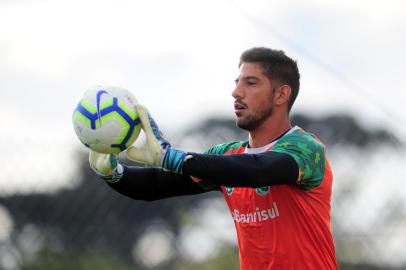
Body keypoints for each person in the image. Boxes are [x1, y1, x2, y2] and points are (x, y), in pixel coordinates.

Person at [89, 47, 339, 269]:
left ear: (281, 95)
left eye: (250, 83)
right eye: (237, 82)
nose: (235, 92)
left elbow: (258, 170)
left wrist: (174, 158)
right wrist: (113, 174)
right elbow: (157, 183)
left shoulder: (306, 149)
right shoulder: (226, 157)